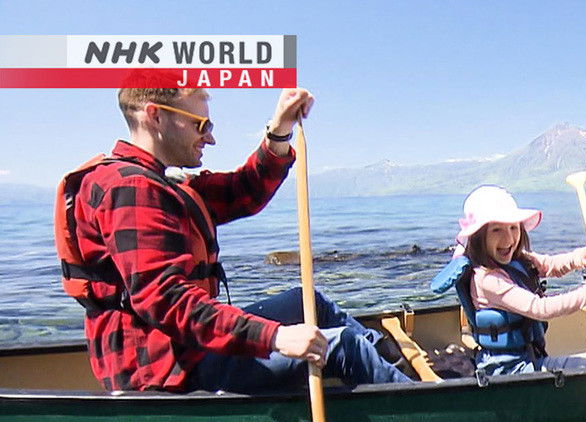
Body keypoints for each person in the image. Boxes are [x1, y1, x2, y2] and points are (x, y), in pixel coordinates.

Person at [56, 82, 413, 392]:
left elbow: (244, 191)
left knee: (311, 302)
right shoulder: (132, 190)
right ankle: (424, 407)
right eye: (201, 124)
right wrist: (277, 337)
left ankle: (397, 371)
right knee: (340, 347)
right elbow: (167, 302)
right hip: (168, 369)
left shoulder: (160, 183)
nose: (210, 136)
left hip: (185, 346)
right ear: (155, 116)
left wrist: (280, 128)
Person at [429, 185, 586, 376]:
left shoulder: (517, 259)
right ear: (478, 237)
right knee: (585, 364)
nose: (508, 238)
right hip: (508, 370)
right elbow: (540, 309)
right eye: (496, 230)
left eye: (514, 227)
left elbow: (550, 264)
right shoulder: (487, 279)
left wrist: (578, 257)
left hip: (530, 358)